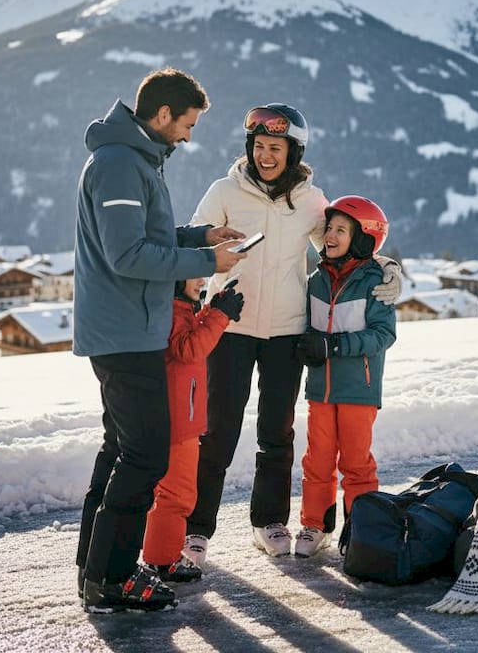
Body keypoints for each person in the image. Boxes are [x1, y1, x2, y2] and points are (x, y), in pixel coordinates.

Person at [185, 104, 403, 561]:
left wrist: (386, 268)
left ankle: (268, 521)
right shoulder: (225, 191)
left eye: (275, 148)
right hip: (231, 326)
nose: (266, 156)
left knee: (276, 431)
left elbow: (346, 242)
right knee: (217, 430)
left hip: (287, 329)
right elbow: (193, 239)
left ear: (293, 151)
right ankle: (196, 528)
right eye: (260, 146)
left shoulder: (309, 200)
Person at [72, 68, 247, 614]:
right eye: (187, 124)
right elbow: (127, 256)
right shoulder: (122, 164)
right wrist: (205, 262)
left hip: (129, 328)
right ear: (163, 113)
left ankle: (97, 568)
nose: (189, 136)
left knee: (121, 449)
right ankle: (114, 579)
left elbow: (143, 237)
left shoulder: (134, 159)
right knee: (145, 455)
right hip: (124, 333)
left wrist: (200, 236)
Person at [291, 195, 397, 557]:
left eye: (341, 230)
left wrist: (335, 346)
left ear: (364, 239)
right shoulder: (315, 280)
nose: (331, 236)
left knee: (356, 463)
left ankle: (361, 528)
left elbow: (384, 335)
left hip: (358, 389)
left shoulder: (377, 283)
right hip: (321, 388)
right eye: (329, 229)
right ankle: (314, 524)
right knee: (316, 460)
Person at [141, 277, 244, 583]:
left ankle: (161, 555)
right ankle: (163, 561)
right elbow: (189, 347)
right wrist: (220, 316)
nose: (202, 280)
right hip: (178, 422)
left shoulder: (176, 308)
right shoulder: (173, 311)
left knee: (172, 493)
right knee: (177, 495)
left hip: (179, 418)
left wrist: (212, 307)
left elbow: (186, 334)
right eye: (194, 274)